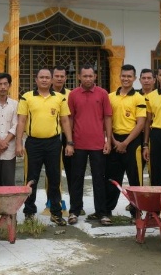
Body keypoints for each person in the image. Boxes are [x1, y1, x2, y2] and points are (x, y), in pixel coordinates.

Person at [16, 68, 74, 226]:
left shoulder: (60, 98)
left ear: (51, 80)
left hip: (54, 143)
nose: (44, 80)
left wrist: (69, 142)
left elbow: (65, 121)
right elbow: (21, 121)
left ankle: (56, 212)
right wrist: (18, 143)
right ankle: (29, 212)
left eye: (47, 77)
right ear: (36, 79)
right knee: (30, 179)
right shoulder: (27, 97)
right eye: (41, 77)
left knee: (54, 179)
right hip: (33, 143)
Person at [67, 65, 112, 226]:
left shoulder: (102, 94)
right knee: (76, 179)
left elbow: (107, 118)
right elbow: (70, 119)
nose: (88, 79)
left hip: (98, 144)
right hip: (78, 144)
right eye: (84, 76)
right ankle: (74, 211)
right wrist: (69, 142)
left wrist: (108, 141)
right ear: (79, 77)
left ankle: (102, 212)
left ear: (95, 77)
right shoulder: (73, 95)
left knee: (99, 180)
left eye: (90, 76)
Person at [105, 64, 147, 218]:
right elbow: (107, 120)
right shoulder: (110, 97)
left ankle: (136, 212)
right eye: (124, 76)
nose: (126, 79)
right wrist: (113, 140)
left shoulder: (139, 98)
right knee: (111, 177)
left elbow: (141, 123)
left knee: (135, 179)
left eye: (129, 76)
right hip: (114, 140)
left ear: (134, 78)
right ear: (119, 76)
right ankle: (107, 210)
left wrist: (125, 143)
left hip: (133, 142)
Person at [46, 65, 70, 213]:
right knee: (51, 172)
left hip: (66, 137)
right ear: (51, 78)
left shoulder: (70, 94)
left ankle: (72, 202)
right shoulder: (44, 94)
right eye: (57, 76)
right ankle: (52, 200)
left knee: (69, 171)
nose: (59, 78)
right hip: (50, 137)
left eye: (62, 76)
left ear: (65, 78)